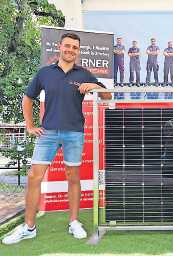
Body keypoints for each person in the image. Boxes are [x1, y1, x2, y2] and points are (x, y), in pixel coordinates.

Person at [2, 33, 112, 245]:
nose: (71, 50)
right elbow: (27, 98)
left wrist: (95, 86)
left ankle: (74, 222)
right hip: (48, 132)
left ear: (78, 51)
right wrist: (30, 125)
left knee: (73, 176)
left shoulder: (84, 73)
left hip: (74, 133)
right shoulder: (45, 73)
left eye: (75, 47)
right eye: (68, 46)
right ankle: (29, 227)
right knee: (34, 177)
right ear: (60, 47)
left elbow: (107, 96)